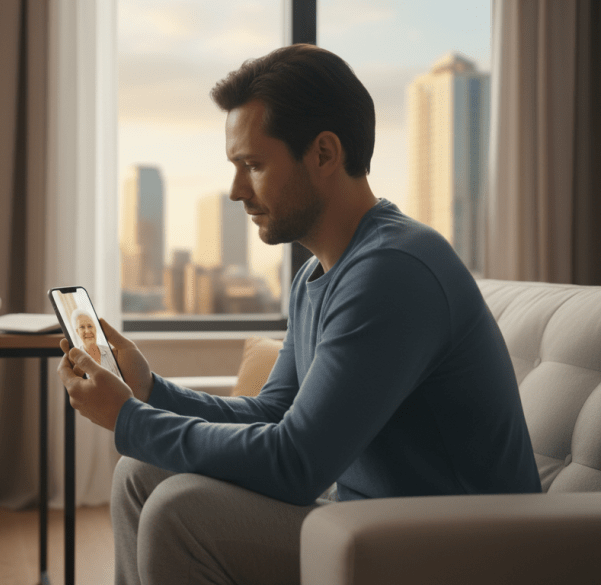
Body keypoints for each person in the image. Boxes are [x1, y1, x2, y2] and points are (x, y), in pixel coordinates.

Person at [57, 44, 541, 585]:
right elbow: (275, 412)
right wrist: (150, 391)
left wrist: (127, 418)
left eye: (254, 165)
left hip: (454, 550)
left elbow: (296, 465)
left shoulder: (393, 271)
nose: (238, 190)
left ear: (325, 154)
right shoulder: (316, 277)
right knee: (139, 475)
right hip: (368, 526)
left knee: (180, 513)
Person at [70, 308, 121, 376]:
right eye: (82, 327)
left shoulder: (110, 352)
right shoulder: (77, 359)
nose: (87, 331)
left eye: (90, 326)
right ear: (77, 332)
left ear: (95, 328)